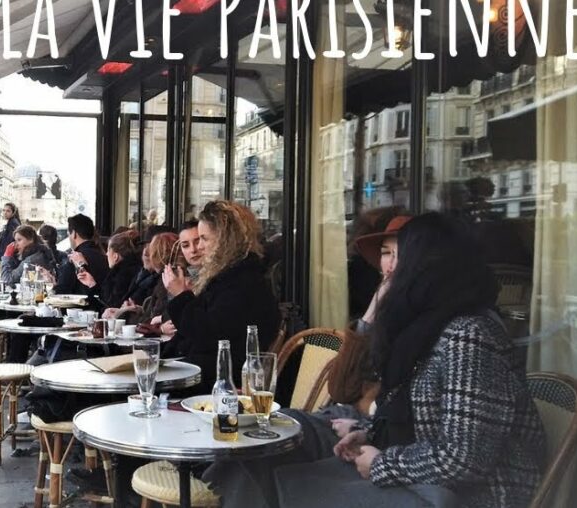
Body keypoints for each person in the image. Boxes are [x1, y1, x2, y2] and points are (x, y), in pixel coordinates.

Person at [212, 212, 547, 508]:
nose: (393, 268)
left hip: (474, 495)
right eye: (388, 255)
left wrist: (385, 462)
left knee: (289, 483)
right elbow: (414, 420)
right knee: (257, 462)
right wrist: (370, 433)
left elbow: (466, 458)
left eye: (403, 256)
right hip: (421, 473)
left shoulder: (469, 332)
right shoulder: (428, 325)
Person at [161, 200, 281, 391]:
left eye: (204, 239)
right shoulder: (229, 276)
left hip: (217, 383)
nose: (199, 247)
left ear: (225, 240)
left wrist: (180, 296)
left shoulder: (243, 282)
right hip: (201, 372)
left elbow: (207, 333)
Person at [76, 229, 142, 308]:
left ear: (115, 256)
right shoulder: (135, 270)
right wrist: (92, 284)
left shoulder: (121, 275)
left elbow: (110, 302)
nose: (106, 254)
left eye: (108, 250)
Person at [52, 214, 108, 296]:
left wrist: (53, 284)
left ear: (74, 233)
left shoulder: (74, 258)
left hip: (80, 307)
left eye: (68, 234)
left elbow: (61, 292)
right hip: (104, 305)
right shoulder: (105, 256)